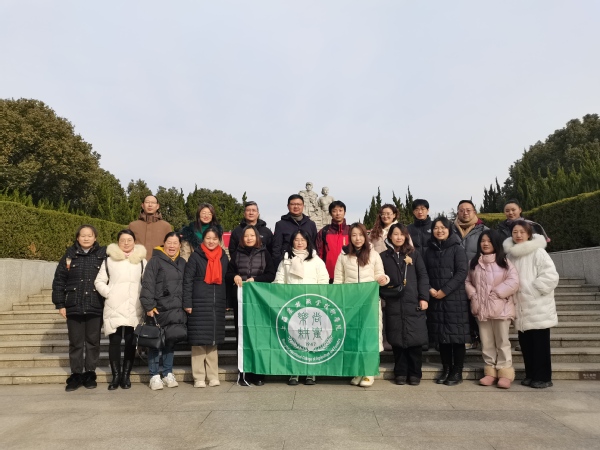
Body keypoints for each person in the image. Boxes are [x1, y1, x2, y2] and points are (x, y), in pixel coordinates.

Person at [504, 220, 559, 389]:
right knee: (526, 344)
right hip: (521, 306)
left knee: (540, 345)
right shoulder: (511, 255)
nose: (518, 235)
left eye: (522, 232)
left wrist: (533, 291)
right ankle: (531, 374)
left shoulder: (538, 252)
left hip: (537, 306)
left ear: (529, 234)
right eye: (515, 232)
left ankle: (543, 377)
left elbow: (551, 275)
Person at [52, 225, 107, 392]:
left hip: (95, 304)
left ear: (95, 238)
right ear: (77, 238)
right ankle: (76, 374)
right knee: (75, 342)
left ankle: (90, 374)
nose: (86, 238)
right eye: (83, 235)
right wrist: (60, 304)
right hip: (74, 304)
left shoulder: (102, 255)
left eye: (90, 235)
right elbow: (59, 280)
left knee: (93, 342)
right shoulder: (69, 255)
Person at [333, 223, 389, 387]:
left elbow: (380, 274)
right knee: (353, 336)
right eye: (354, 235)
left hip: (369, 302)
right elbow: (338, 280)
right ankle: (358, 370)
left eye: (360, 235)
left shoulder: (374, 254)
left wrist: (384, 279)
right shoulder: (343, 255)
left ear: (365, 236)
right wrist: (339, 300)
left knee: (369, 336)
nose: (357, 238)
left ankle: (369, 371)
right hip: (350, 303)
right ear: (350, 237)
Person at [273, 229, 329, 385]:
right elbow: (279, 282)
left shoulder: (316, 260)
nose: (299, 243)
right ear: (292, 241)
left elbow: (323, 281)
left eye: (303, 240)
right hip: (293, 306)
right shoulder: (285, 261)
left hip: (312, 305)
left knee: (312, 339)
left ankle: (311, 372)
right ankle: (294, 371)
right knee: (294, 339)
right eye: (296, 240)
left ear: (308, 242)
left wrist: (318, 299)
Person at [465, 230, 519, 388]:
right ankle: (490, 371)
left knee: (502, 341)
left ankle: (504, 371)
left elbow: (514, 281)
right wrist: (473, 295)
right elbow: (467, 281)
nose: (485, 244)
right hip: (481, 308)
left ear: (495, 243)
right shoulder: (474, 263)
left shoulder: (504, 262)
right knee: (487, 341)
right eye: (483, 241)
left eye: (489, 241)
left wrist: (497, 293)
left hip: (501, 309)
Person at [94, 229, 147, 390]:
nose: (126, 243)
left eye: (129, 240)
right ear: (118, 242)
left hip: (134, 306)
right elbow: (99, 281)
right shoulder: (109, 260)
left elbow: (147, 282)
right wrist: (109, 293)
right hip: (114, 305)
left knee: (131, 342)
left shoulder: (141, 261)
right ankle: (115, 376)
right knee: (114, 342)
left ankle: (126, 375)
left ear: (134, 242)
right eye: (122, 240)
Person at [225, 225, 276, 386]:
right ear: (242, 238)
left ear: (257, 238)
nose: (249, 238)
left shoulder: (265, 253)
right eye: (246, 236)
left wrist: (256, 280)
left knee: (259, 335)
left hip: (259, 301)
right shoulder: (236, 254)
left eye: (252, 236)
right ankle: (243, 371)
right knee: (242, 335)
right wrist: (235, 276)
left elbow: (271, 275)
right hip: (241, 301)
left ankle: (258, 372)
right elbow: (228, 274)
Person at [380, 224, 429, 386]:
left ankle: (415, 373)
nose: (399, 237)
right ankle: (400, 372)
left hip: (413, 302)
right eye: (395, 234)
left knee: (415, 340)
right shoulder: (384, 256)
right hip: (393, 303)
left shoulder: (414, 254)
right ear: (390, 236)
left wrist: (424, 298)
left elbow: (423, 276)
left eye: (402, 234)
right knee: (397, 340)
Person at [424, 217, 470, 386]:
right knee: (442, 337)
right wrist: (430, 288)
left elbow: (462, 272)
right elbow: (424, 273)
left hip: (454, 299)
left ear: (449, 230)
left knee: (457, 337)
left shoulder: (457, 248)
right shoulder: (429, 250)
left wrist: (445, 290)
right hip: (436, 298)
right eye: (436, 228)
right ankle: (446, 369)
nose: (440, 231)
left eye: (443, 227)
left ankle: (457, 371)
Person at [139, 232, 187, 391]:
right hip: (158, 309)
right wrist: (148, 305)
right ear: (164, 244)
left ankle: (167, 373)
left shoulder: (182, 262)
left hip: (175, 309)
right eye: (169, 242)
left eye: (175, 243)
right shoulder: (155, 261)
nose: (172, 246)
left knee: (170, 342)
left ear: (179, 245)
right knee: (154, 343)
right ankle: (154, 375)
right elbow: (148, 283)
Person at [183, 227, 229, 388]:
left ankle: (213, 376)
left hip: (216, 304)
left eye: (214, 238)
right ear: (203, 239)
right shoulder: (196, 256)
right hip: (198, 303)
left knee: (213, 341)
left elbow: (226, 280)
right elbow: (187, 281)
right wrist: (187, 302)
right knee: (199, 342)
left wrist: (227, 302)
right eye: (208, 238)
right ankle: (199, 377)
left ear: (219, 240)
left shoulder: (223, 257)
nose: (211, 241)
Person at [452, 199, 488, 350]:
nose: (465, 213)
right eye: (461, 210)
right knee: (461, 309)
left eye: (468, 210)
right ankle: (467, 337)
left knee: (477, 306)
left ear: (474, 212)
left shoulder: (484, 230)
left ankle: (480, 337)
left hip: (477, 275)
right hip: (455, 276)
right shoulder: (450, 230)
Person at [272, 194, 318, 266]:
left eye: (299, 204)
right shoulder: (280, 224)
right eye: (293, 204)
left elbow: (314, 245)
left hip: (307, 263)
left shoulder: (311, 224)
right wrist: (279, 264)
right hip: (287, 263)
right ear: (288, 206)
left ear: (303, 206)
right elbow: (276, 248)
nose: (296, 206)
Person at [129, 195, 172, 261]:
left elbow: (171, 247)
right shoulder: (133, 226)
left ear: (157, 206)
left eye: (153, 203)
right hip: (137, 263)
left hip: (159, 264)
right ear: (142, 205)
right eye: (147, 202)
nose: (150, 205)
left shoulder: (166, 226)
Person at [315, 200, 350, 283]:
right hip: (328, 274)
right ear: (330, 213)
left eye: (340, 210)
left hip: (348, 274)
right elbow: (319, 254)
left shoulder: (351, 231)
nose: (338, 213)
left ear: (344, 212)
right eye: (334, 211)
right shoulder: (324, 232)